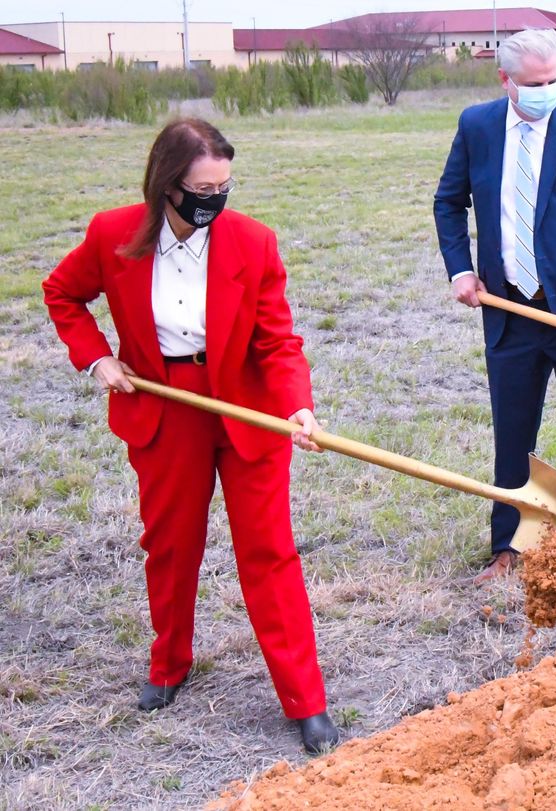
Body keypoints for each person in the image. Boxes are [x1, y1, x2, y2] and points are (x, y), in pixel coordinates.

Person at [42, 118, 339, 754]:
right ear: (167, 185)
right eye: (203, 187)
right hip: (164, 406)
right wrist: (98, 358)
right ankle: (169, 665)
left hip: (245, 408)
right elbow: (63, 294)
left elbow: (279, 340)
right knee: (171, 545)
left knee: (270, 551)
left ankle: (305, 699)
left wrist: (299, 407)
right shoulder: (113, 234)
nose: (216, 199)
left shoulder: (253, 243)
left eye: (225, 185)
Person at [433, 29, 556, 631]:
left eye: (554, 82)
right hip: (510, 312)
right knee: (512, 440)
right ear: (506, 80)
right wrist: (463, 269)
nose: (547, 92)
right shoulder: (477, 127)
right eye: (534, 84)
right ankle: (508, 549)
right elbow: (449, 202)